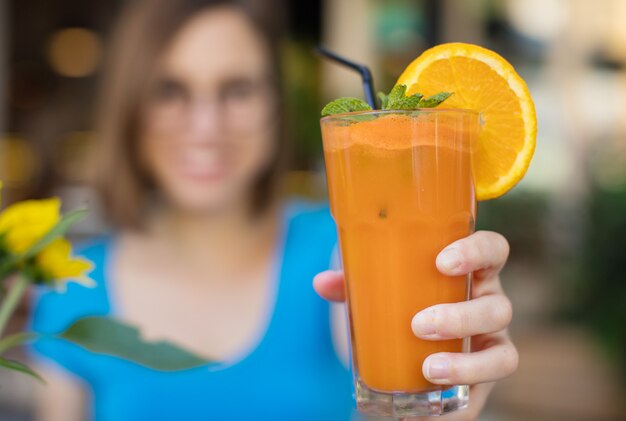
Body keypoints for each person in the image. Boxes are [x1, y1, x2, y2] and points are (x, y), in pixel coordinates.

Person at [29, 0, 518, 420]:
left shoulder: (341, 252)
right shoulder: (72, 289)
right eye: (170, 91)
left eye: (237, 89)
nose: (206, 126)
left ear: (276, 105)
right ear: (130, 107)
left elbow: (396, 390)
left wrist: (435, 388)